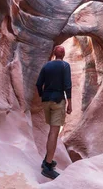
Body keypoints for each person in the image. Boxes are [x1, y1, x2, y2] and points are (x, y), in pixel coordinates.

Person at [35, 45, 72, 180]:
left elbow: (39, 84)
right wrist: (70, 103)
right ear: (63, 54)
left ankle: (47, 159)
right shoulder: (65, 66)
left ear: (54, 54)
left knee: (51, 130)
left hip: (46, 100)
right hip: (57, 101)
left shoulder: (46, 66)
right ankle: (48, 166)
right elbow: (68, 85)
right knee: (54, 132)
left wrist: (43, 95)